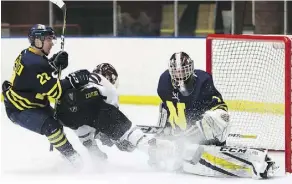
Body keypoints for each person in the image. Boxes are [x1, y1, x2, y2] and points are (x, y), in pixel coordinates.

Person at [142, 51, 279, 179]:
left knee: (216, 119)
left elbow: (221, 110)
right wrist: (161, 133)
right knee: (172, 152)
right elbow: (165, 108)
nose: (180, 75)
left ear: (191, 68)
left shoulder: (203, 81)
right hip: (179, 138)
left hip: (205, 136)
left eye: (183, 71)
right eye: (177, 72)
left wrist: (203, 127)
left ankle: (254, 163)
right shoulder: (164, 82)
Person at [1, 24, 91, 166]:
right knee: (52, 127)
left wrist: (53, 64)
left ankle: (65, 152)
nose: (52, 43)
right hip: (20, 109)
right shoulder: (34, 63)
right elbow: (55, 91)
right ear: (38, 41)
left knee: (62, 118)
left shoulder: (29, 54)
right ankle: (73, 158)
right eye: (48, 39)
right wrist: (73, 80)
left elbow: (37, 75)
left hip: (34, 103)